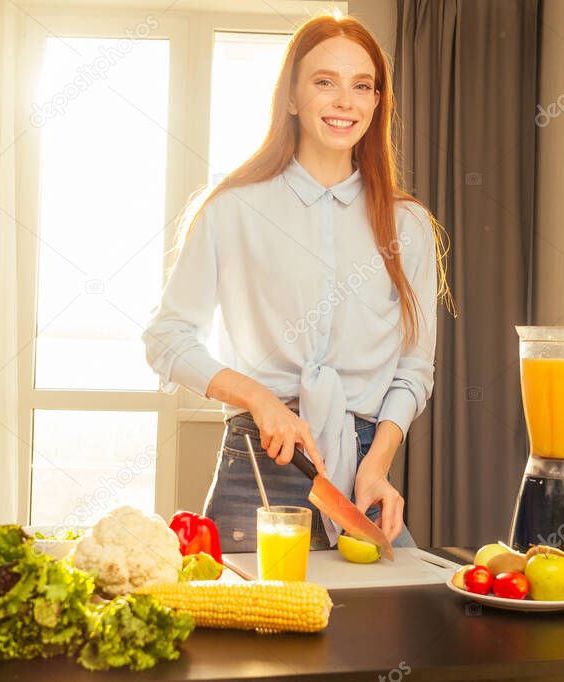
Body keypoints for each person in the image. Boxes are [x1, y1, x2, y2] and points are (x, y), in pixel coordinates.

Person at [142, 12, 450, 553]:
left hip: (360, 468)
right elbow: (166, 340)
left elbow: (413, 369)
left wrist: (376, 464)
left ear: (377, 102)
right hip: (259, 459)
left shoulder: (410, 227)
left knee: (386, 634)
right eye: (324, 81)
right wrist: (259, 398)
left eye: (362, 86)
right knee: (250, 638)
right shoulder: (232, 209)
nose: (345, 101)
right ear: (291, 97)